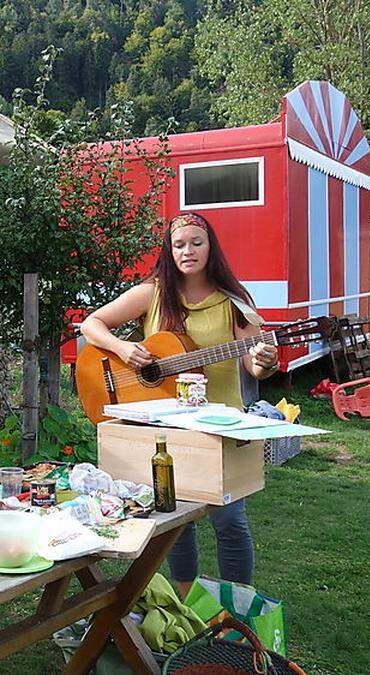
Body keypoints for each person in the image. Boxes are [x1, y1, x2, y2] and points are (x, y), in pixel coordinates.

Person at [79, 212, 279, 595]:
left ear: (211, 247)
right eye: (179, 244)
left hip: (220, 427)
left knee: (230, 520)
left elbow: (254, 366)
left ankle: (235, 606)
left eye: (196, 243)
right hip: (166, 426)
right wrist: (123, 347)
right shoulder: (153, 293)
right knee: (176, 520)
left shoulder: (234, 301)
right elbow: (92, 324)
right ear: (169, 251)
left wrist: (263, 362)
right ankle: (186, 598)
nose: (188, 251)